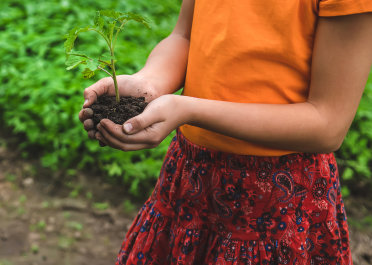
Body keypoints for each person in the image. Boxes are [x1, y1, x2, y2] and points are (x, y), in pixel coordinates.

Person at [79, 0, 372, 264]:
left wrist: (190, 110)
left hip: (278, 198)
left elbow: (327, 125)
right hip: (191, 178)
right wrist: (149, 85)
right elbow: (185, 36)